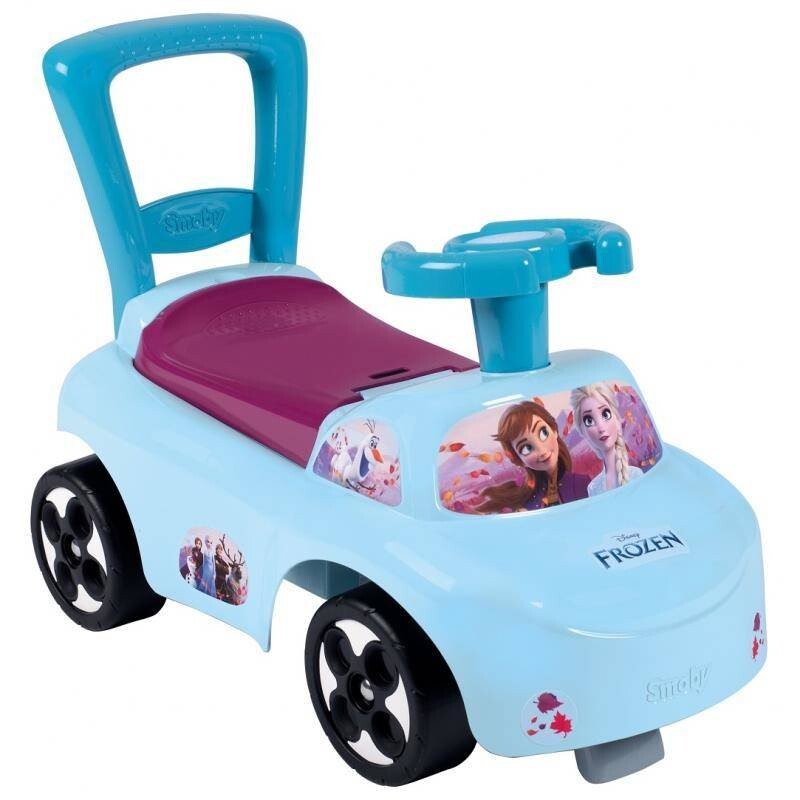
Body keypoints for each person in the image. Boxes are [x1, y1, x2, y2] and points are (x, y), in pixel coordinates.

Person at [478, 401, 589, 513]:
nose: (542, 451)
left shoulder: (581, 483)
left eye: (543, 433)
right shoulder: (522, 495)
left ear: (554, 430)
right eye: (526, 448)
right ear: (518, 459)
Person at [569, 383, 643, 496]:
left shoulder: (636, 475)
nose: (601, 428)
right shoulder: (593, 488)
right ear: (583, 432)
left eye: (605, 414)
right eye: (589, 421)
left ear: (616, 419)